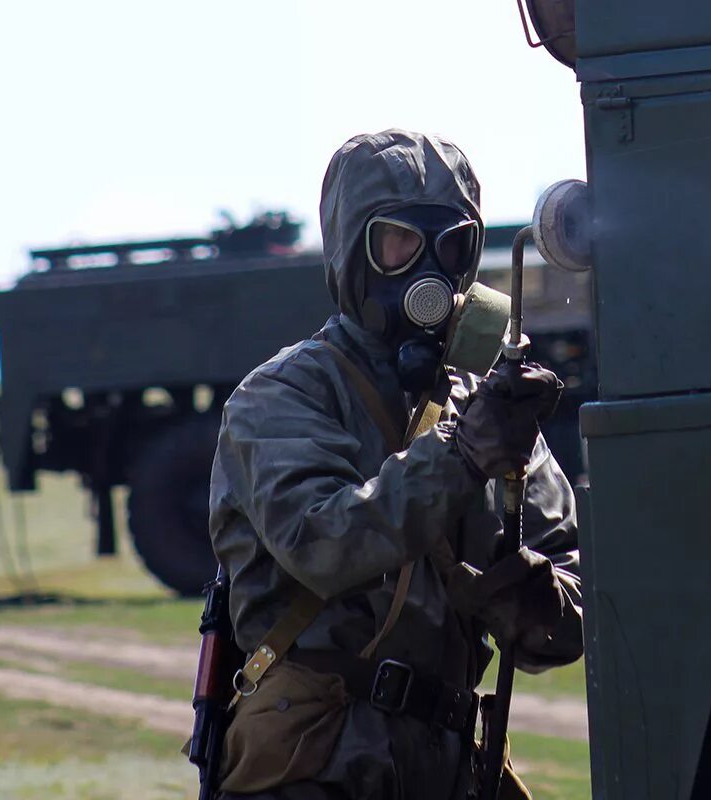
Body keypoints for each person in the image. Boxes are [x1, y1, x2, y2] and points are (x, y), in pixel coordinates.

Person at [209, 130, 583, 800]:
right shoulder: (284, 396)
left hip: (446, 763)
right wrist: (462, 455)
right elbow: (326, 543)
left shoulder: (485, 402)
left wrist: (537, 601)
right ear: (355, 252)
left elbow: (567, 604)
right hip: (317, 760)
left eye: (452, 244)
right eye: (400, 242)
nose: (427, 268)